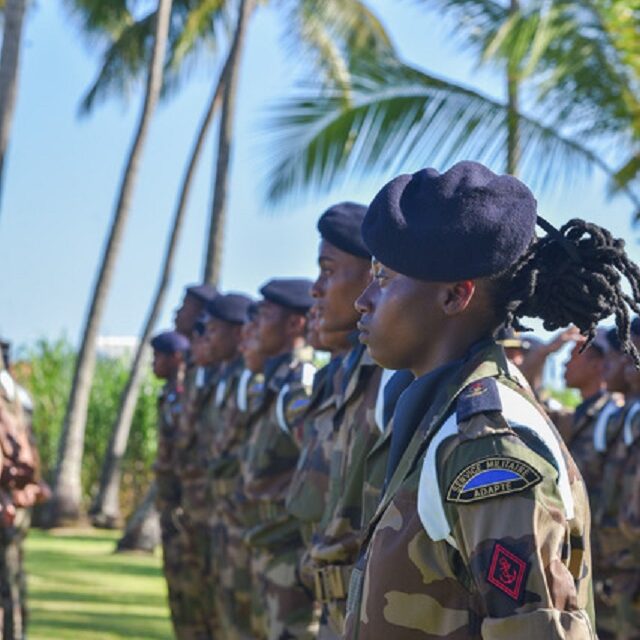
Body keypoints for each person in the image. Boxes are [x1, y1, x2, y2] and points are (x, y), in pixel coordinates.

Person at [344, 161, 640, 638]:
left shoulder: (488, 449)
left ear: (455, 296)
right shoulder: (437, 419)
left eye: (383, 276)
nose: (363, 301)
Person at [300, 202, 389, 639]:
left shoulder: (394, 379)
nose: (316, 289)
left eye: (328, 270)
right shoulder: (344, 375)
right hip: (337, 611)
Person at [241, 278, 316, 640]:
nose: (253, 327)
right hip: (270, 552)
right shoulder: (277, 385)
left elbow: (321, 479)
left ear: (294, 324)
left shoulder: (298, 388)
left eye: (265, 315)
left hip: (291, 560)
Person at [200, 293, 254, 640]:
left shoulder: (250, 379)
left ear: (237, 334)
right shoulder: (225, 379)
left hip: (246, 529)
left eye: (214, 331)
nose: (207, 339)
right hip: (222, 520)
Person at [149, 330, 190, 639]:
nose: (154, 363)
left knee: (190, 590)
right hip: (171, 505)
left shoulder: (187, 392)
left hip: (186, 507)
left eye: (159, 356)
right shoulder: (169, 394)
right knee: (177, 591)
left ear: (176, 357)